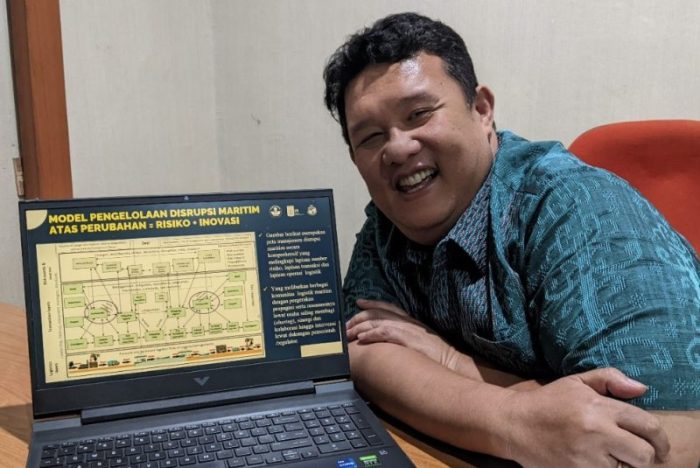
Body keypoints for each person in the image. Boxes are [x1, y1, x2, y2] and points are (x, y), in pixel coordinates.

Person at [322, 12, 700, 467]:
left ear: (482, 110)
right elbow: (362, 348)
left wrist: (453, 365)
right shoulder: (388, 221)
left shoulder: (577, 210)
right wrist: (515, 417)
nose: (397, 148)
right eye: (371, 137)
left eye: (419, 114)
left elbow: (659, 440)